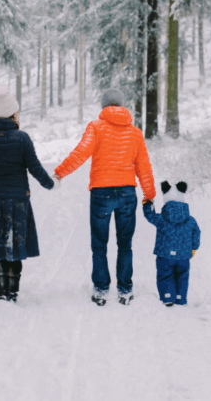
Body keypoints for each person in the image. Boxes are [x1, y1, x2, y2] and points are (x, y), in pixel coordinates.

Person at [54, 88, 155, 306]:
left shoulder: (96, 127)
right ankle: (125, 289)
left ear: (104, 106)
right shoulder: (135, 133)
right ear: (121, 104)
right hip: (128, 193)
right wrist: (149, 194)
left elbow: (81, 152)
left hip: (101, 193)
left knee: (99, 244)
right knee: (125, 244)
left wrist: (60, 172)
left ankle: (101, 289)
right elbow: (144, 167)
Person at [0, 83, 55, 303]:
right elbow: (34, 167)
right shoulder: (22, 138)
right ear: (12, 113)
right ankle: (12, 292)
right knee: (15, 247)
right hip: (17, 201)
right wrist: (51, 183)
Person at [142, 181, 201, 307]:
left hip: (165, 255)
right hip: (184, 256)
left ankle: (168, 297)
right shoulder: (190, 220)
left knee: (165, 275)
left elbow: (149, 215)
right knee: (182, 277)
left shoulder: (162, 218)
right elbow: (197, 232)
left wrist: (147, 203)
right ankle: (180, 298)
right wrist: (194, 247)